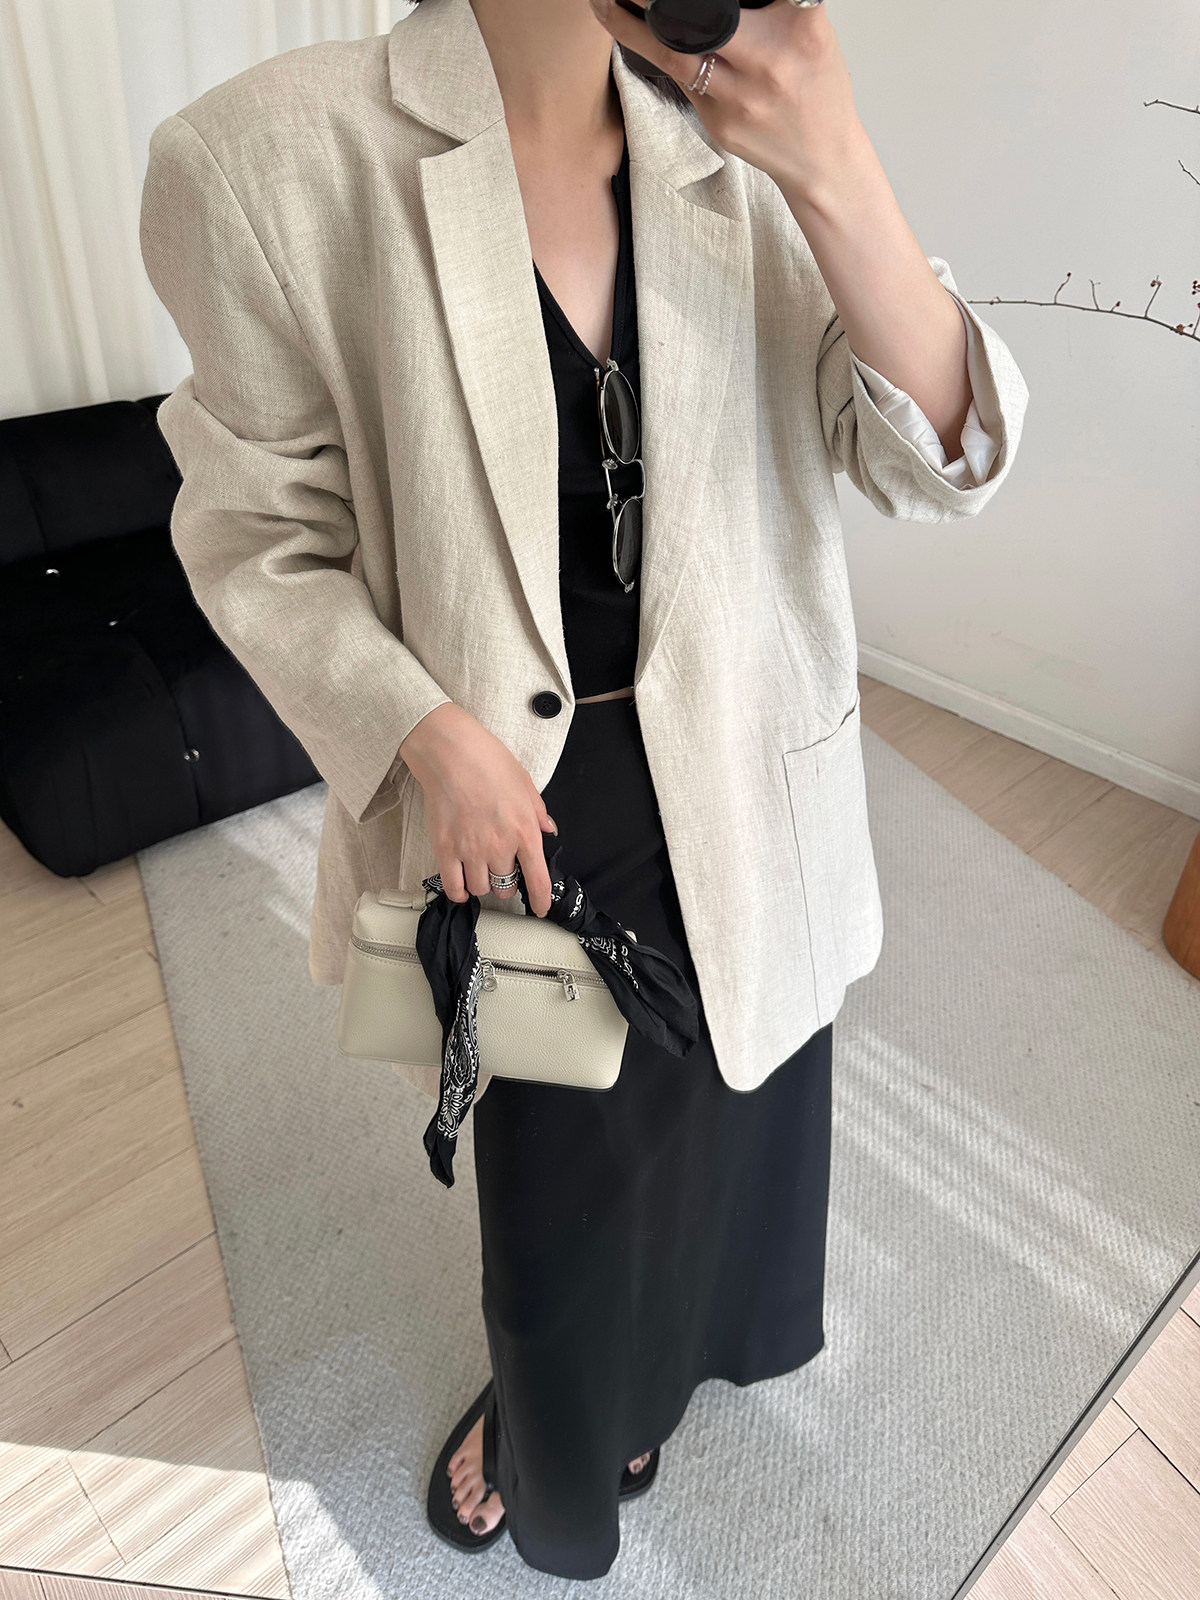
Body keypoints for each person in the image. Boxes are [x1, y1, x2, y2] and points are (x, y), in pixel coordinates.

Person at [139, 0, 1029, 1580]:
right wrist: (424, 730)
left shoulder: (747, 150)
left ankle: (648, 1392)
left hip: (752, 777)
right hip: (521, 811)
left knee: (737, 1129)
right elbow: (254, 539)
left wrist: (833, 163)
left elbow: (938, 457)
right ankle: (555, 1436)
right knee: (563, 1201)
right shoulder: (267, 159)